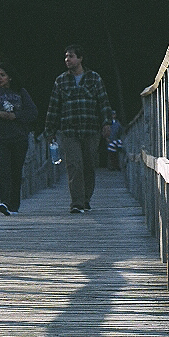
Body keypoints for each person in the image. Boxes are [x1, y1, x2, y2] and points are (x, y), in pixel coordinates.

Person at [43, 44, 112, 213]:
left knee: (88, 165)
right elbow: (54, 107)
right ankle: (77, 202)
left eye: (71, 56)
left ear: (80, 58)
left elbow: (103, 102)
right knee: (74, 165)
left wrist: (107, 123)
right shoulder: (61, 81)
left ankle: (86, 198)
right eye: (66, 57)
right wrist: (49, 130)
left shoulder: (94, 78)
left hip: (90, 129)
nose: (68, 60)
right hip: (69, 130)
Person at [0, 63, 38, 215]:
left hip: (18, 137)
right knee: (3, 169)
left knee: (16, 170)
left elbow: (33, 112)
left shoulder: (21, 93)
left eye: (2, 75)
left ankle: (14, 205)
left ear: (10, 77)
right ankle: (4, 202)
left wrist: (16, 116)